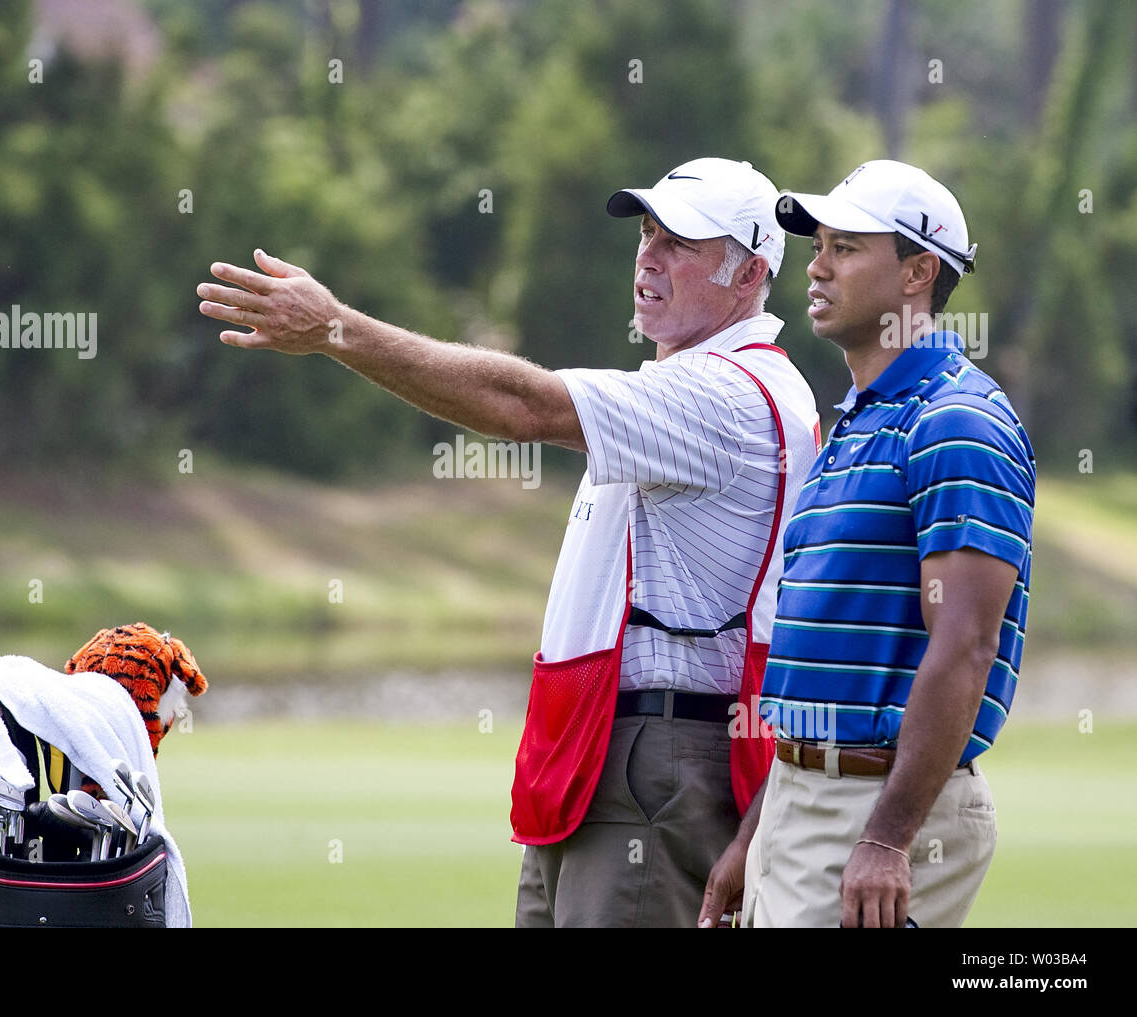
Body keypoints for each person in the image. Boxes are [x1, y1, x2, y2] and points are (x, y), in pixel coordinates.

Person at [196, 158, 820, 928]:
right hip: (609, 759)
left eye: (681, 242)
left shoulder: (721, 395)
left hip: (654, 767)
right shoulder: (706, 381)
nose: (648, 255)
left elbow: (522, 405)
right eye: (648, 233)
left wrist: (336, 328)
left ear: (750, 272)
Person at [698, 160, 1035, 929]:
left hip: (877, 808)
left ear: (919, 272)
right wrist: (757, 834)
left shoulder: (956, 420)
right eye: (819, 246)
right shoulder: (854, 421)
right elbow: (817, 680)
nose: (816, 266)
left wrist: (886, 837)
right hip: (802, 799)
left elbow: (967, 643)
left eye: (846, 248)